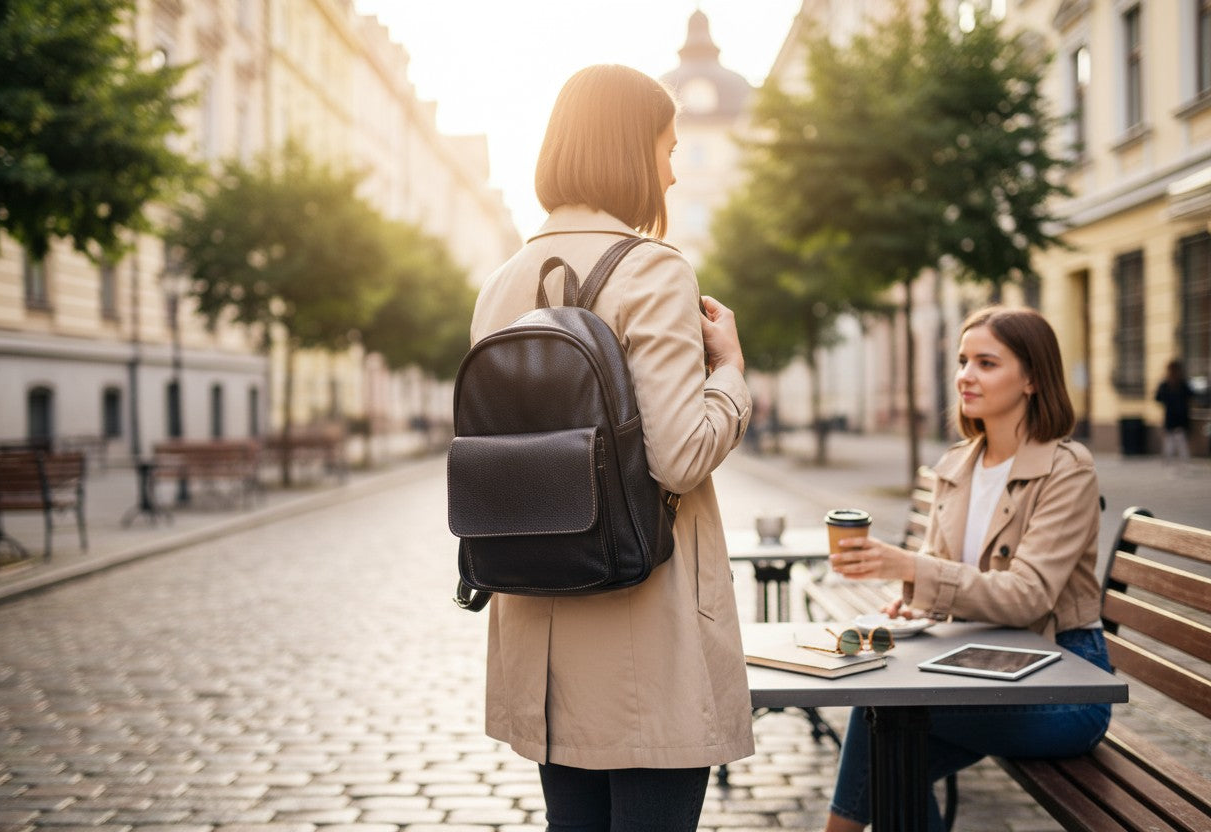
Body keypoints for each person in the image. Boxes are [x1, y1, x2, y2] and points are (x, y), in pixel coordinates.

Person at [468, 64, 755, 832]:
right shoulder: (652, 269)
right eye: (667, 148)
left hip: (539, 621)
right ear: (631, 149)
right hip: (641, 624)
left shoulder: (502, 282)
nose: (671, 170)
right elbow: (679, 457)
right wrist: (730, 372)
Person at [823, 306, 1113, 832]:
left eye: (986, 363)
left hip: (1066, 684)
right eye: (962, 361)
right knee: (891, 744)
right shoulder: (957, 464)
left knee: (887, 715)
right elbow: (942, 570)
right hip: (985, 664)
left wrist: (912, 567)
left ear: (1031, 379)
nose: (965, 376)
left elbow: (1027, 596)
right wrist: (913, 598)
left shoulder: (1067, 470)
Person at [1155, 359, 1194, 463]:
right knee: (1172, 440)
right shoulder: (1167, 384)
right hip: (1173, 415)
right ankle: (1171, 460)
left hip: (1179, 416)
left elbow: (1191, 395)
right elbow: (1158, 398)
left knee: (1178, 440)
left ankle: (1179, 460)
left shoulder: (1181, 384)